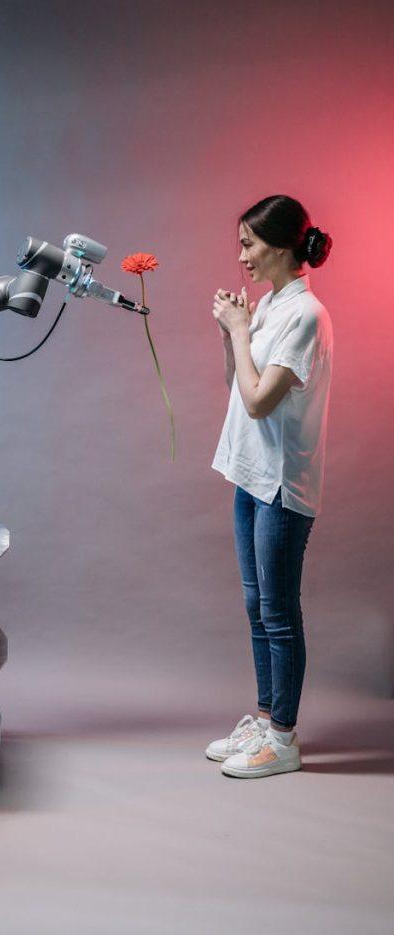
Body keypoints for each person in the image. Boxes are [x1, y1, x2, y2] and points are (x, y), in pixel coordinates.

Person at [207, 194, 333, 778]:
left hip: (282, 485)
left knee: (279, 611)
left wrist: (238, 328)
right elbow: (239, 382)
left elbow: (259, 403)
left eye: (249, 244)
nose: (242, 256)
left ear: (282, 247)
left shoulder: (306, 315)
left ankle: (283, 738)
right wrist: (232, 331)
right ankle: (264, 718)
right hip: (249, 475)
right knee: (257, 606)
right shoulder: (269, 305)